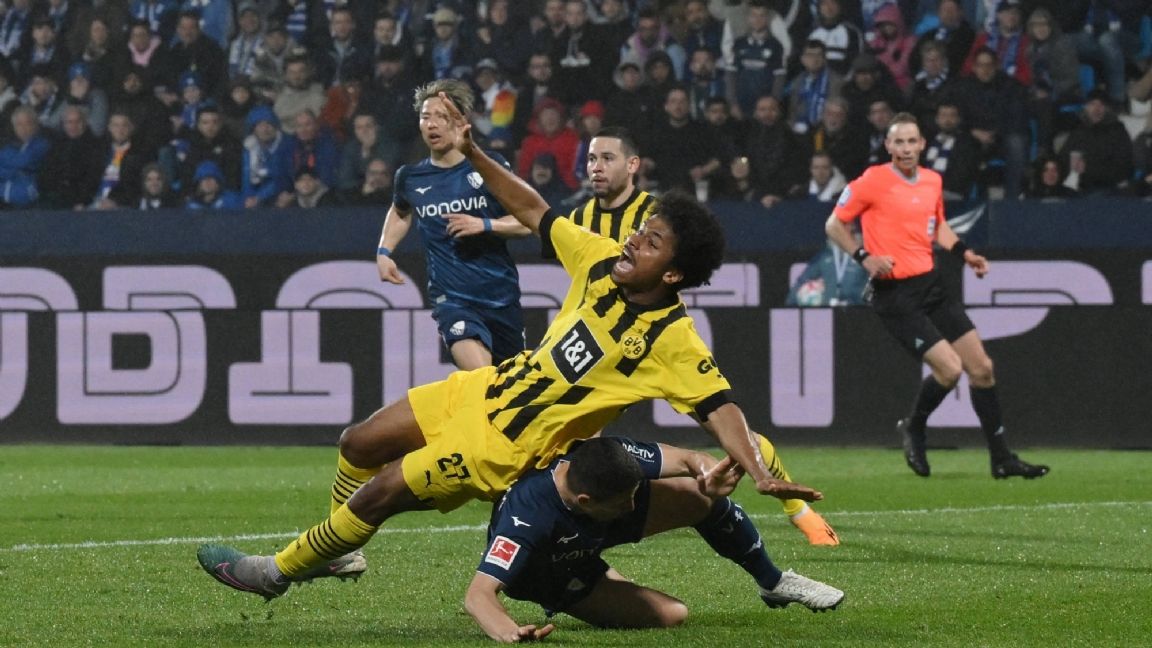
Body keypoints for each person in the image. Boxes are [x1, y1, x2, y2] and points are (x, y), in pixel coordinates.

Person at [196, 88, 825, 602]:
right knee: (358, 442)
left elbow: (720, 408)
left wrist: (759, 472)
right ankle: (336, 553)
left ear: (675, 274)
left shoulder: (672, 341)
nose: (635, 240)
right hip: (484, 389)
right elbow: (534, 209)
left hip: (504, 445)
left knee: (382, 491)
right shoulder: (601, 259)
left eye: (652, 242)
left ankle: (277, 572)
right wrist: (474, 152)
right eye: (642, 231)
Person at [824, 111, 1050, 480]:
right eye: (899, 141)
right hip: (894, 293)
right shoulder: (873, 181)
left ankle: (1002, 459)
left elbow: (937, 226)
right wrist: (864, 257)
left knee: (982, 369)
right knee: (950, 369)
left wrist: (965, 253)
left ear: (922, 145)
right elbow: (834, 224)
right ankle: (914, 427)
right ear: (888, 145)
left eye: (912, 141)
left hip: (930, 285)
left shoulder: (931, 181)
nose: (906, 148)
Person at [466, 436, 845, 642]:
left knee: (699, 496)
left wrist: (709, 474)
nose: (634, 507)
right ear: (585, 500)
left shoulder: (609, 456)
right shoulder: (527, 519)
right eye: (624, 501)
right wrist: (508, 631)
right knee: (671, 615)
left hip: (595, 524)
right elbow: (478, 595)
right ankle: (599, 582)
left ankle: (773, 582)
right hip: (553, 571)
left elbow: (690, 458)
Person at [376, 79, 531, 371]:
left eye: (441, 116)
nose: (432, 124)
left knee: (509, 388)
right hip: (453, 301)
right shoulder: (410, 177)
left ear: (460, 121)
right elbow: (400, 211)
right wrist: (384, 252)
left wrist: (485, 225)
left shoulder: (490, 166)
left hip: (501, 297)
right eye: (425, 117)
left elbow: (527, 223)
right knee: (482, 379)